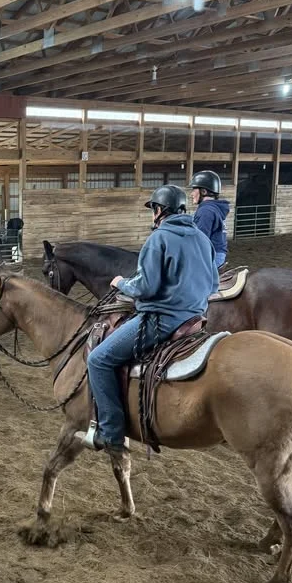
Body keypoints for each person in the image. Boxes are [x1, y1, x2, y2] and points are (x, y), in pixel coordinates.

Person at [78, 185, 219, 454]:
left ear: (159, 209)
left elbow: (146, 287)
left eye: (153, 209)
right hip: (195, 319)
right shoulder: (202, 239)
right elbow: (213, 284)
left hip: (162, 319)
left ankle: (111, 434)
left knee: (98, 359)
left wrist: (121, 283)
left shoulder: (159, 238)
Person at [188, 170, 230, 268]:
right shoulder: (214, 208)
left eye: (194, 190)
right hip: (218, 253)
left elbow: (199, 240)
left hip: (212, 255)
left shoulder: (206, 211)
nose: (191, 194)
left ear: (203, 191)